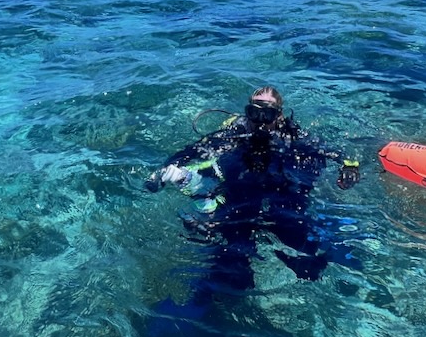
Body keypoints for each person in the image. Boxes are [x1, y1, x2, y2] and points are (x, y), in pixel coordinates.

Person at [145, 86, 361, 300]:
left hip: (282, 194)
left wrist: (350, 167)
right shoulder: (236, 131)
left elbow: (336, 152)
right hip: (241, 193)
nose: (259, 120)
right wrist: (162, 171)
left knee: (306, 264)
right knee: (231, 269)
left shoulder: (293, 135)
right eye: (253, 113)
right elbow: (192, 150)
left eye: (267, 114)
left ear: (279, 115)